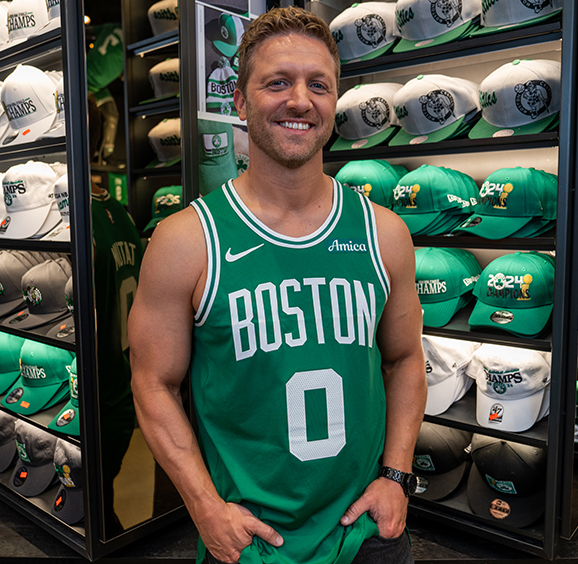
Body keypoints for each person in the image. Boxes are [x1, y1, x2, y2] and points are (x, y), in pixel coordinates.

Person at [128, 6, 427, 564]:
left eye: (318, 84)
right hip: (248, 543)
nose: (299, 100)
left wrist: (396, 476)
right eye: (277, 83)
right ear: (240, 102)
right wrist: (203, 507)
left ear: (334, 103)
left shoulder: (384, 234)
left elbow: (406, 359)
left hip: (366, 534)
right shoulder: (186, 241)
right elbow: (152, 385)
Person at [88, 93, 144, 536]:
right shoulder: (118, 214)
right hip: (114, 379)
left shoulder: (85, 218)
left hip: (106, 381)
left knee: (97, 494)